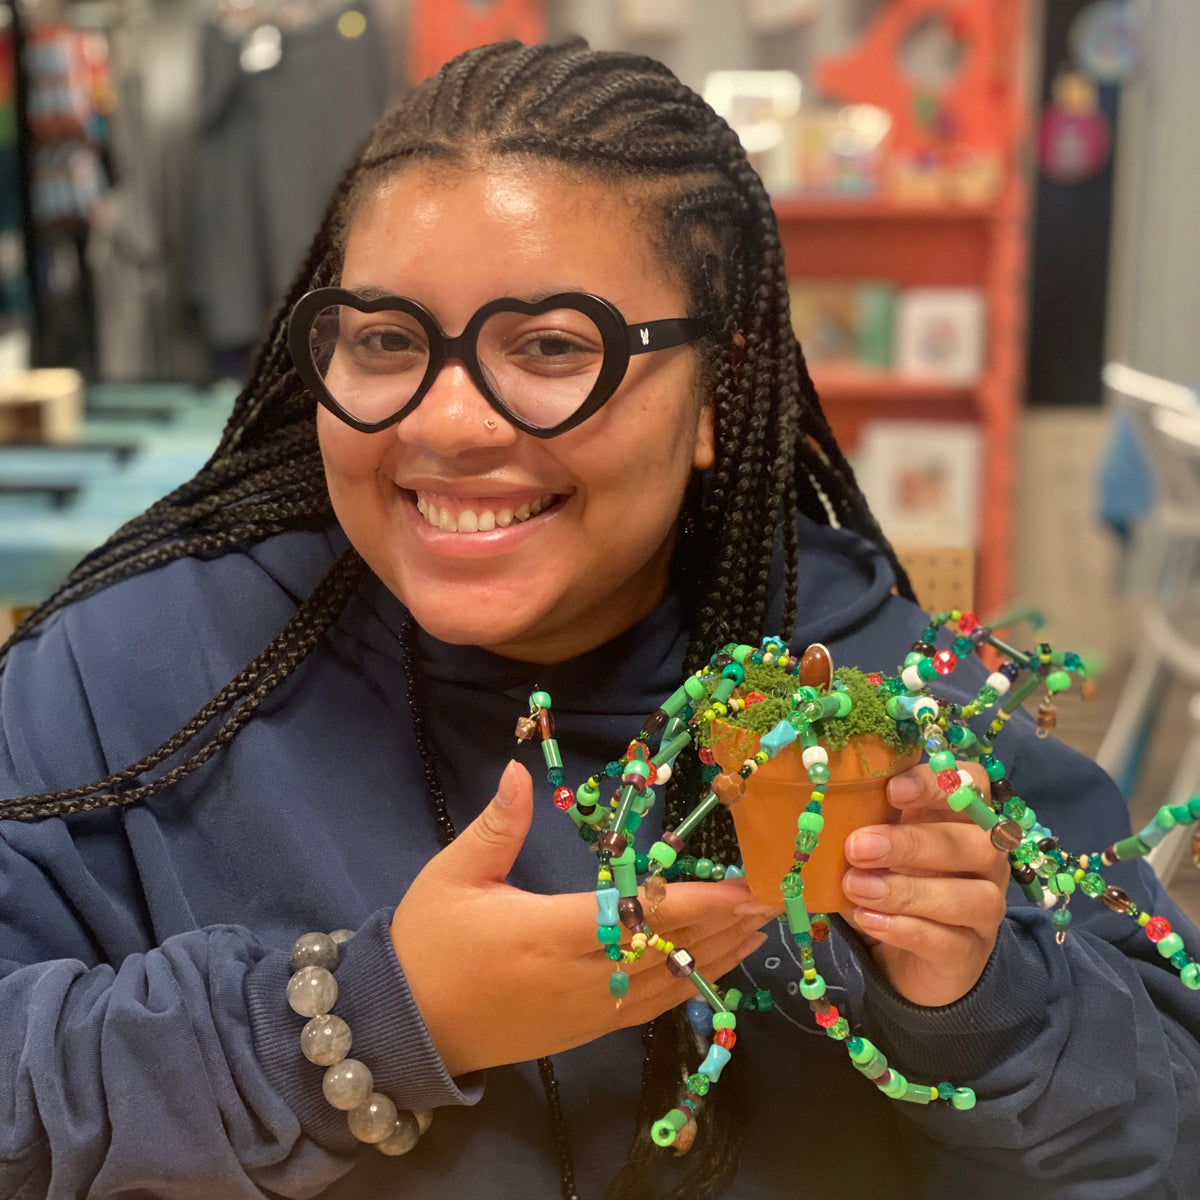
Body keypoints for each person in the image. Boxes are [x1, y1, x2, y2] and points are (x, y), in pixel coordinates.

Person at [1, 39, 1197, 1200]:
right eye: (383, 340)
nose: (452, 422)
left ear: (716, 396)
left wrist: (980, 1008)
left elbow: (1166, 1139)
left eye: (553, 344)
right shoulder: (131, 683)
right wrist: (363, 1025)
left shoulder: (892, 714)